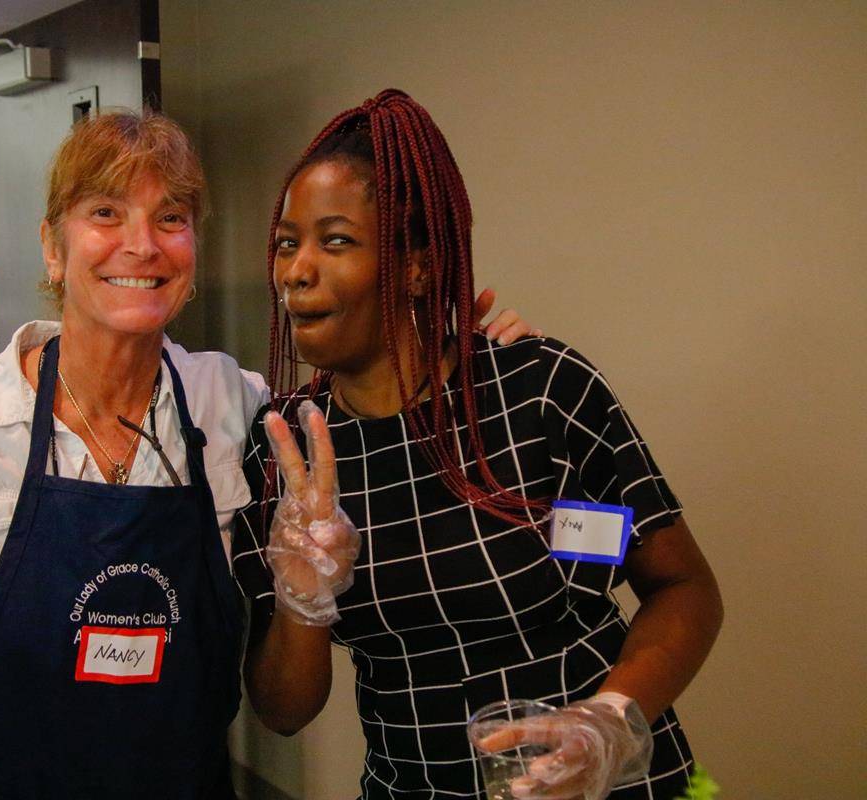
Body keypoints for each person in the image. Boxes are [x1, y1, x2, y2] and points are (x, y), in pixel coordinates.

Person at [0, 108, 534, 799]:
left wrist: (461, 354)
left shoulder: (235, 407)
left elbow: (371, 398)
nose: (141, 246)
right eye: (106, 213)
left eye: (170, 218)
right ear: (53, 246)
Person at [232, 89, 723, 800]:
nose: (296, 269)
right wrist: (302, 601)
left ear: (418, 267)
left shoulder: (539, 392)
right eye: (286, 242)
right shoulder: (289, 452)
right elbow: (282, 709)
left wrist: (609, 721)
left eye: (335, 240)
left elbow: (684, 589)